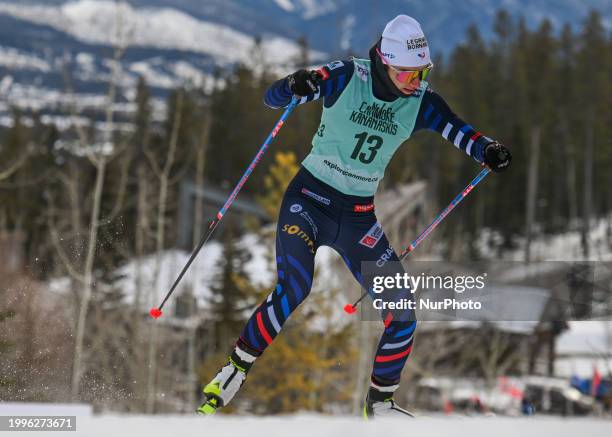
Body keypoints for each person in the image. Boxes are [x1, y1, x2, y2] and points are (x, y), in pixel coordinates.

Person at [197, 14, 511, 418]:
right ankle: (235, 368)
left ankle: (379, 404)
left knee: (402, 313)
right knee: (295, 287)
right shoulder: (348, 76)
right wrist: (294, 84)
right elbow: (273, 99)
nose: (416, 82)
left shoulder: (421, 103)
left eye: (423, 73)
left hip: (358, 218)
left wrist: (487, 150)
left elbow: (460, 132)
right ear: (385, 61)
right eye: (408, 74)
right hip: (308, 201)